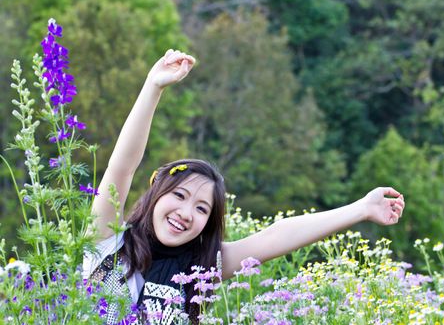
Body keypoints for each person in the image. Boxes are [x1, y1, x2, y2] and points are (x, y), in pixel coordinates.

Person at [82, 49, 405, 324]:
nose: (185, 213)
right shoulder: (108, 242)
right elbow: (122, 168)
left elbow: (278, 235)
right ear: (155, 195)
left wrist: (361, 209)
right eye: (179, 195)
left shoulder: (198, 269)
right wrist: (154, 87)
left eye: (201, 209)